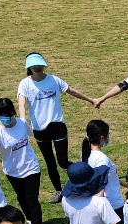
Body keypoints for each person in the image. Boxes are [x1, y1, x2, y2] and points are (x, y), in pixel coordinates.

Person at [16, 52, 95, 204]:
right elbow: (21, 105)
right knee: (50, 162)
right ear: (29, 68)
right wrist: (23, 122)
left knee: (63, 161)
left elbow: (72, 91)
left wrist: (90, 100)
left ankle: (86, 173)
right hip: (40, 130)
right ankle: (59, 191)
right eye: (34, 66)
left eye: (39, 65)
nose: (38, 68)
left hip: (58, 126)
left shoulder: (54, 80)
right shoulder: (25, 84)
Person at [0, 99, 44, 224]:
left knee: (32, 199)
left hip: (31, 167)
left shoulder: (22, 123)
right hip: (12, 171)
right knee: (22, 198)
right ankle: (30, 219)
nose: (5, 119)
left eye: (7, 115)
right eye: (1, 116)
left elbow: (31, 133)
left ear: (13, 112)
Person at [82, 119, 128, 224]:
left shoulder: (88, 155)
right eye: (108, 135)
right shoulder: (101, 159)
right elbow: (100, 183)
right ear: (102, 138)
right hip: (112, 203)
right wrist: (101, 204)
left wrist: (124, 183)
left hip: (106, 201)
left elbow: (107, 177)